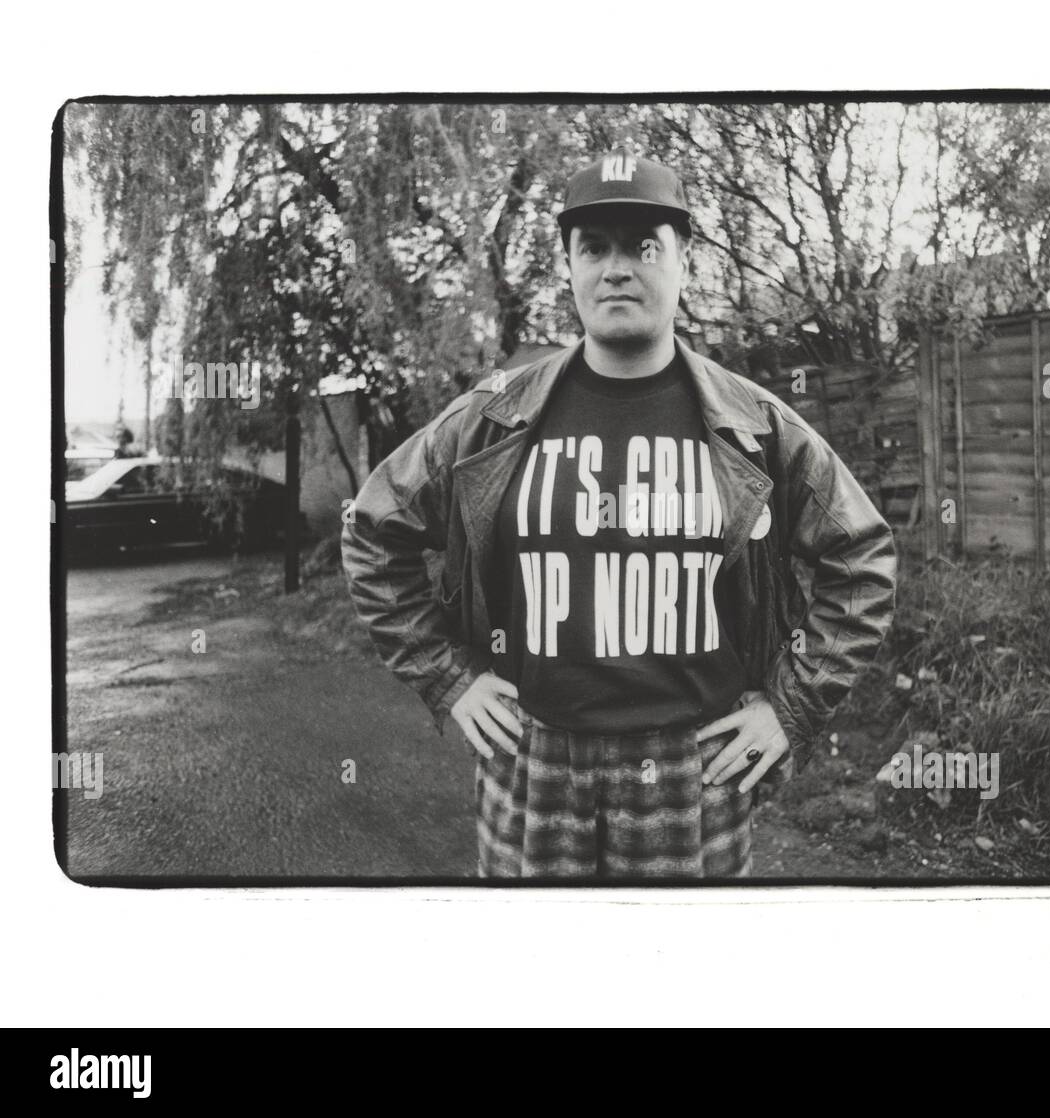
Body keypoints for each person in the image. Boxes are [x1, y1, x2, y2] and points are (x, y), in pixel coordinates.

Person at [341, 146, 896, 878]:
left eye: (643, 245)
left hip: (694, 767)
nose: (618, 267)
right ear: (568, 266)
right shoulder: (492, 418)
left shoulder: (755, 425)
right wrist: (448, 676)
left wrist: (790, 707)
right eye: (594, 247)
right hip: (530, 759)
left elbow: (862, 557)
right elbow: (373, 530)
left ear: (682, 260)